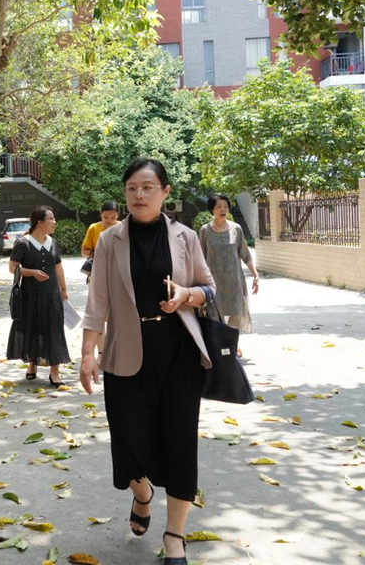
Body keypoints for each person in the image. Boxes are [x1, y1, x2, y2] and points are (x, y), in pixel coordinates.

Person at [80, 158, 216, 565]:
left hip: (178, 353)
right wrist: (87, 353)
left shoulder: (185, 237)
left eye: (147, 188)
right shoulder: (110, 240)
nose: (138, 195)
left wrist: (186, 296)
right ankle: (142, 494)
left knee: (179, 444)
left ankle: (175, 535)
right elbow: (97, 301)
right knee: (128, 441)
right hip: (125, 351)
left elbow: (209, 288)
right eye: (132, 189)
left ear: (165, 192)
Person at [6, 206, 71, 387]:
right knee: (32, 328)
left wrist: (63, 290)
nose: (55, 222)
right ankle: (32, 364)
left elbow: (58, 267)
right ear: (40, 222)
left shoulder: (53, 243)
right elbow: (12, 268)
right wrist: (32, 272)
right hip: (30, 294)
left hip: (51, 294)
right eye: (51, 218)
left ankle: (55, 373)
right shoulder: (23, 243)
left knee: (54, 330)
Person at [198, 193, 259, 358]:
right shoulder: (205, 231)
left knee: (236, 314)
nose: (223, 209)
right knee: (215, 316)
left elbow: (245, 254)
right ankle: (219, 348)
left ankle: (232, 345)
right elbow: (200, 257)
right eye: (219, 206)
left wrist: (255, 275)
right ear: (212, 209)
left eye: (225, 206)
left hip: (234, 281)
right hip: (213, 282)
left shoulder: (236, 229)